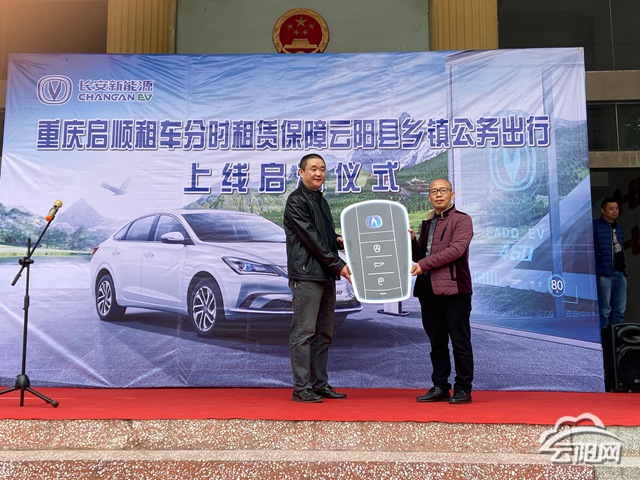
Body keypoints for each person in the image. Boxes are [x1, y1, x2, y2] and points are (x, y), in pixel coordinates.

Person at [283, 153, 352, 403]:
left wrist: (338, 240)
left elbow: (323, 235)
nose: (319, 173)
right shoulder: (296, 201)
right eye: (313, 168)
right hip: (307, 275)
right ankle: (301, 387)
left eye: (322, 169)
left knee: (324, 333)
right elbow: (311, 238)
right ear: (301, 172)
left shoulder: (320, 200)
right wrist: (339, 265)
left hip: (325, 275)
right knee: (303, 333)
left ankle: (319, 384)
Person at [409, 178, 474, 404]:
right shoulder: (427, 222)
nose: (438, 194)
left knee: (460, 342)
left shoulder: (462, 220)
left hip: (455, 290)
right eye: (434, 191)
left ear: (452, 194)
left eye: (443, 190)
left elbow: (455, 250)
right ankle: (440, 386)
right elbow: (419, 256)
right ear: (429, 197)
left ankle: (463, 388)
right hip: (428, 291)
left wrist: (424, 264)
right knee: (436, 343)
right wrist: (412, 241)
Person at [593, 198, 627, 329]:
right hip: (604, 272)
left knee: (620, 308)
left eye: (616, 208)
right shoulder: (596, 225)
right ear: (603, 210)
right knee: (604, 309)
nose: (615, 211)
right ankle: (605, 336)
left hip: (621, 272)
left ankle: (618, 336)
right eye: (611, 209)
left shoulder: (619, 228)